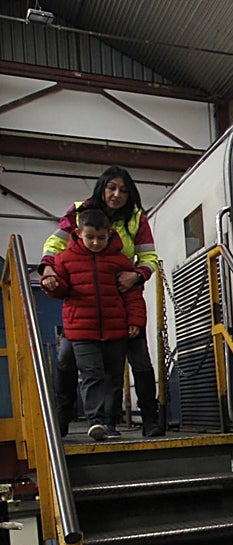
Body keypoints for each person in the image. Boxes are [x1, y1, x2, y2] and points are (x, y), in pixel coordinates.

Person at [40, 165, 163, 437]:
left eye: (123, 190)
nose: (116, 194)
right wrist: (48, 269)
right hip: (85, 306)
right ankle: (62, 417)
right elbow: (55, 244)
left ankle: (150, 420)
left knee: (139, 362)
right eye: (111, 188)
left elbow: (149, 257)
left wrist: (136, 276)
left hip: (121, 296)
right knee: (66, 361)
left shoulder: (136, 219)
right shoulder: (79, 211)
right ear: (102, 187)